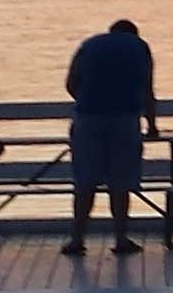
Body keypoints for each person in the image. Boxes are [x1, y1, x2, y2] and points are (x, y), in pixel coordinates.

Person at [62, 17, 162, 256]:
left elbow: (70, 83)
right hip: (124, 118)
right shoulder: (139, 47)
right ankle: (120, 239)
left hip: (88, 117)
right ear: (134, 34)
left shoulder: (90, 44)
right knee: (120, 182)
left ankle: (77, 240)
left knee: (85, 182)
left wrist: (87, 102)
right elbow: (147, 89)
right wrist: (152, 125)